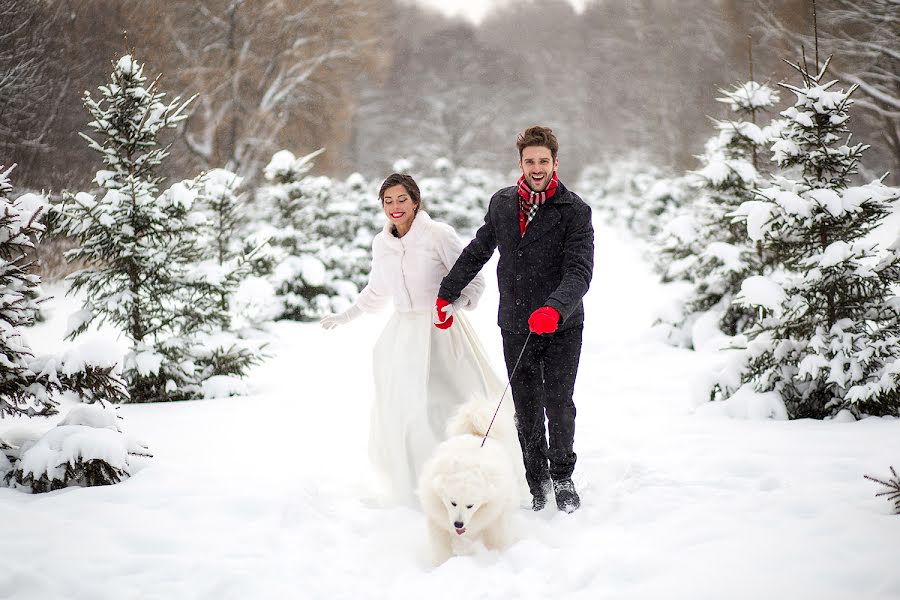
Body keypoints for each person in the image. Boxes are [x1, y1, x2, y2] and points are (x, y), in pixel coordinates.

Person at [320, 173, 504, 505]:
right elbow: (376, 291)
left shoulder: (438, 235)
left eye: (401, 199)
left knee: (444, 408)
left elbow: (473, 279)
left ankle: (464, 483)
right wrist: (344, 316)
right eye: (387, 201)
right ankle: (419, 487)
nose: (395, 207)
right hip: (402, 338)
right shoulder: (381, 243)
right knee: (406, 411)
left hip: (442, 333)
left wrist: (455, 304)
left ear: (415, 201)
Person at [436, 126, 594, 513]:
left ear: (555, 163)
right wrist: (447, 291)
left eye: (543, 161)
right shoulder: (503, 204)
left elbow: (579, 270)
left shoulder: (574, 211)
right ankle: (536, 481)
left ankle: (562, 476)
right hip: (515, 322)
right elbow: (478, 250)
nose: (536, 168)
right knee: (525, 406)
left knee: (557, 404)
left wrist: (555, 307)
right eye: (529, 161)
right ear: (520, 163)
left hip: (561, 324)